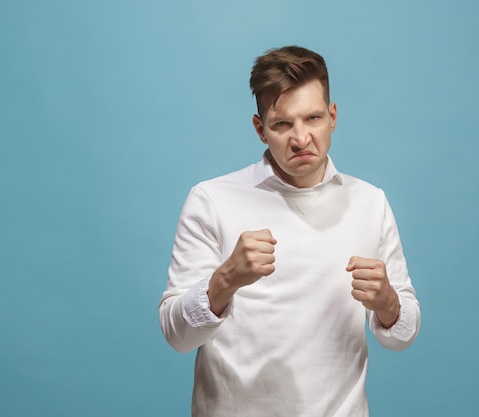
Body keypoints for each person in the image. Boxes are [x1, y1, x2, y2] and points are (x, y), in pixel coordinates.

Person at [159, 45, 420, 417]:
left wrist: (387, 304)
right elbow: (177, 336)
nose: (300, 138)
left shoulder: (370, 202)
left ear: (332, 117)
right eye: (282, 124)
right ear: (260, 128)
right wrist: (226, 279)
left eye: (312, 118)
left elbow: (403, 335)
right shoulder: (211, 200)